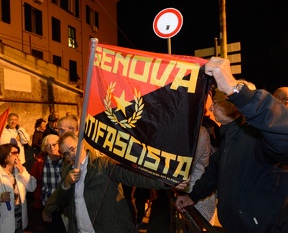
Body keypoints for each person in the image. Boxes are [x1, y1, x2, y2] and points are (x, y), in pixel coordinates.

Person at [175, 57, 288, 232]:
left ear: (233, 107)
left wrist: (236, 90)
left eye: (217, 105)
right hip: (234, 226)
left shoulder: (258, 137)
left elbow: (283, 135)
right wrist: (193, 196)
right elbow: (213, 172)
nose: (211, 109)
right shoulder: (230, 137)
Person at [55, 132, 188, 233]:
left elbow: (134, 176)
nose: (71, 155)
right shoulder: (68, 171)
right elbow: (60, 202)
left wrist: (166, 181)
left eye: (72, 149)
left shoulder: (104, 164)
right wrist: (66, 184)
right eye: (66, 153)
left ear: (81, 144)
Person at [29, 134, 66, 232]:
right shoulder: (40, 163)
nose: (51, 147)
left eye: (54, 144)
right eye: (48, 145)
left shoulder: (67, 161)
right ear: (44, 148)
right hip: (49, 207)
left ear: (59, 145)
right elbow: (33, 184)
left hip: (66, 207)